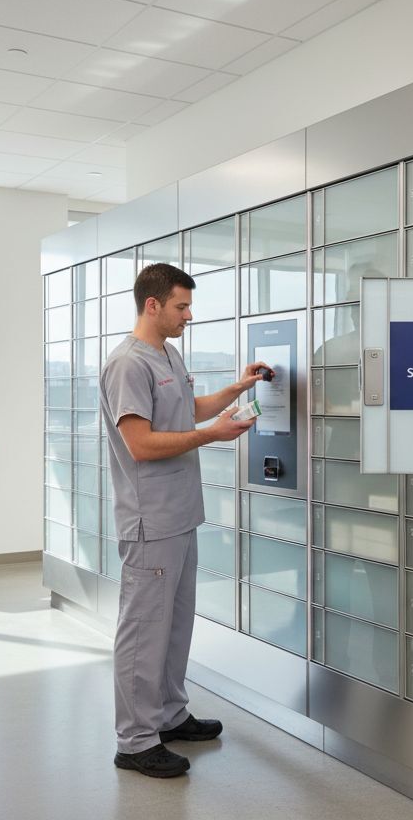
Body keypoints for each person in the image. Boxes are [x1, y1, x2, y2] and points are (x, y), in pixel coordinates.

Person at [99, 262, 271, 778]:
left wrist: (238, 389)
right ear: (152, 305)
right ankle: (135, 741)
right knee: (143, 630)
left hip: (181, 514)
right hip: (150, 520)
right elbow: (141, 443)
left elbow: (187, 408)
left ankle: (169, 716)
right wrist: (213, 435)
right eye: (181, 306)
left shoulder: (168, 354)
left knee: (174, 626)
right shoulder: (127, 364)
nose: (188, 316)